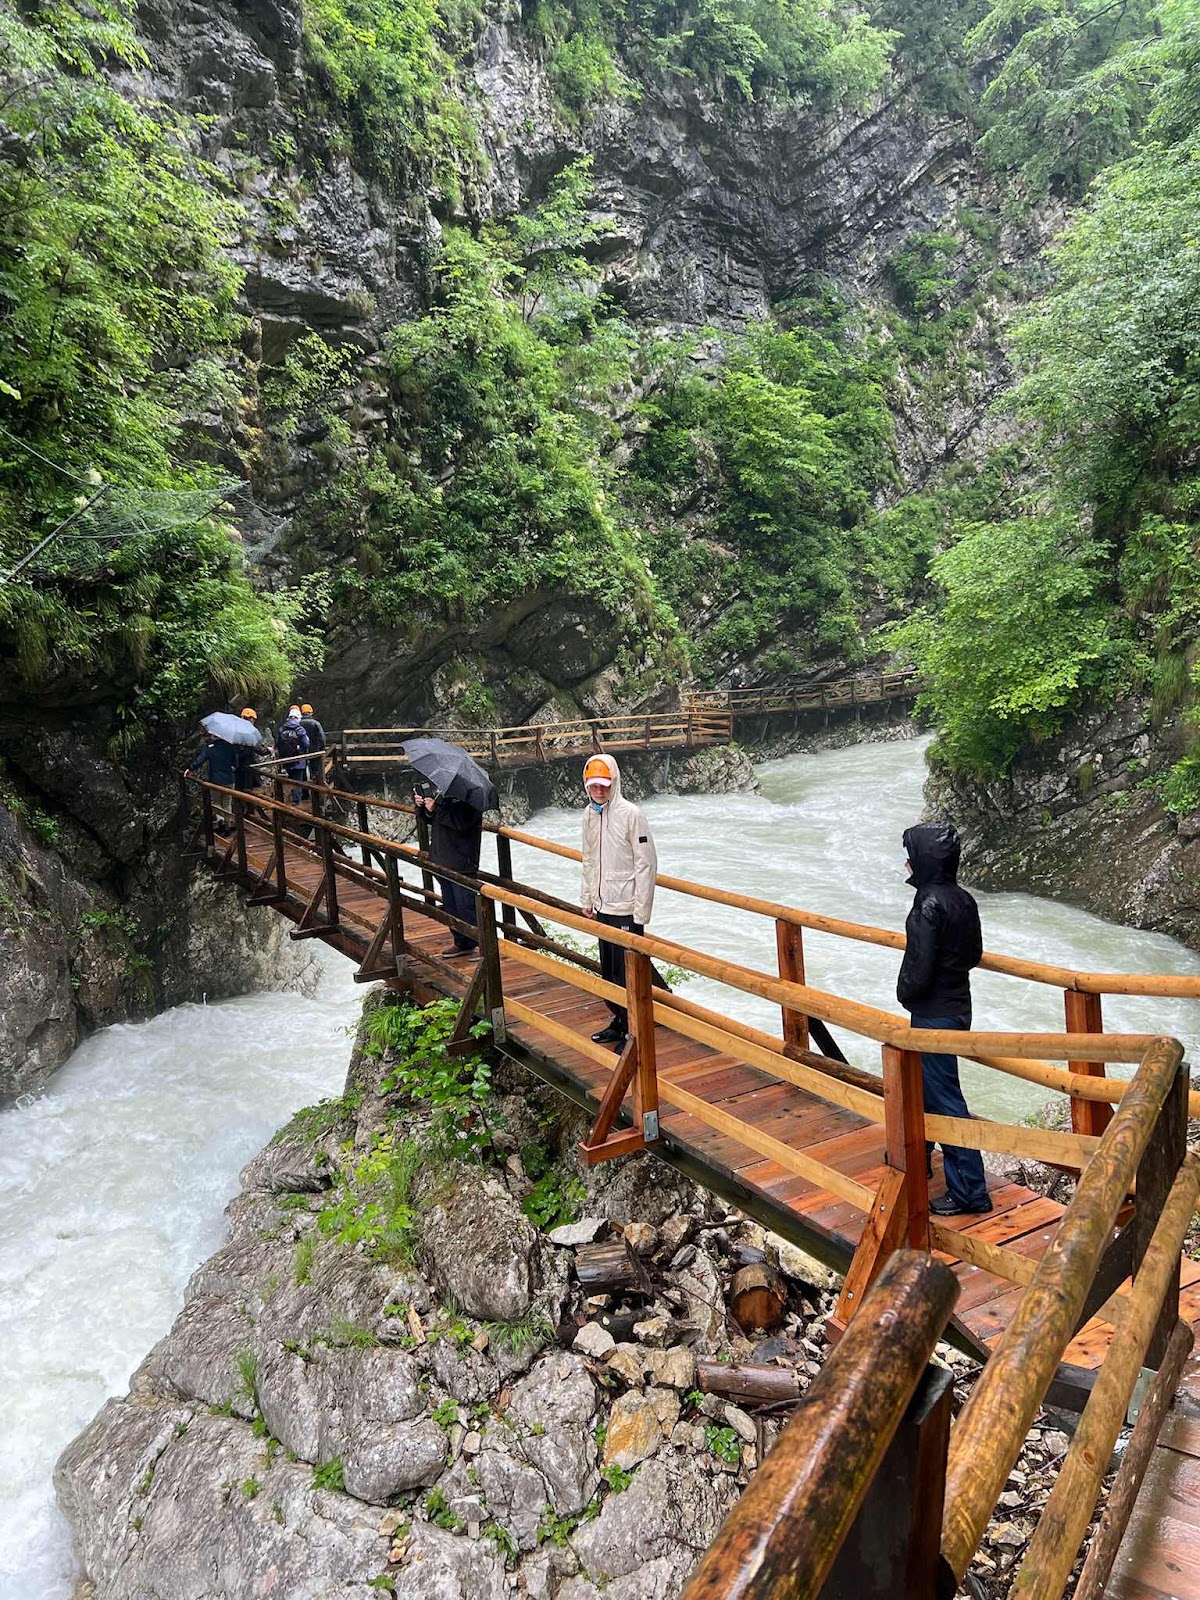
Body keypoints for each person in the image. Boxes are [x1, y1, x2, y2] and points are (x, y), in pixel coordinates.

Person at [896, 820, 992, 1216]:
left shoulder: (928, 905)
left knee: (944, 1098)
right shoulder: (963, 899)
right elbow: (973, 955)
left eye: (910, 856)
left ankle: (970, 1191)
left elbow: (918, 969)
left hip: (933, 1013)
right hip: (958, 1005)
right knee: (926, 1088)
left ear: (924, 859)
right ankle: (917, 1157)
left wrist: (905, 994)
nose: (906, 863)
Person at [580, 754, 657, 1051]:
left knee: (630, 974)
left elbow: (646, 863)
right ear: (587, 785)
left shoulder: (631, 814)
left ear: (614, 782)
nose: (599, 790)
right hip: (603, 905)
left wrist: (641, 911)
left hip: (626, 906)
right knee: (610, 971)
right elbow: (588, 859)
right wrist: (587, 898)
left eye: (604, 785)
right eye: (594, 785)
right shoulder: (589, 815)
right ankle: (620, 1020)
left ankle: (634, 1030)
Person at [416, 785, 484, 957]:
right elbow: (433, 819)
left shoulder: (473, 799)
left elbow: (461, 824)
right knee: (451, 905)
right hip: (443, 859)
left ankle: (480, 945)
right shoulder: (445, 795)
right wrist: (423, 808)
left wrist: (436, 809)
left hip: (462, 861)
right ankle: (460, 942)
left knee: (466, 905)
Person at [188, 729, 239, 831]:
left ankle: (220, 820)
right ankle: (227, 823)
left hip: (216, 780)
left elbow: (200, 760)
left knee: (216, 802)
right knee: (227, 802)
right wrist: (233, 767)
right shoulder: (230, 747)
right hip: (229, 779)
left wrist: (190, 768)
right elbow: (236, 762)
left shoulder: (210, 748)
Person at [275, 705, 310, 804]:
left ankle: (290, 799)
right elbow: (306, 743)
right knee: (297, 781)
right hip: (299, 760)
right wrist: (302, 751)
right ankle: (296, 802)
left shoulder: (282, 729)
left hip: (286, 759)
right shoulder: (300, 729)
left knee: (290, 779)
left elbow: (278, 744)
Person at [298, 702, 326, 787]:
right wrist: (322, 749)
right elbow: (322, 738)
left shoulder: (298, 724)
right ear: (311, 712)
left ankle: (305, 790)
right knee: (315, 771)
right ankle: (316, 788)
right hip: (315, 751)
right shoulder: (316, 723)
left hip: (302, 751)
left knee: (303, 771)